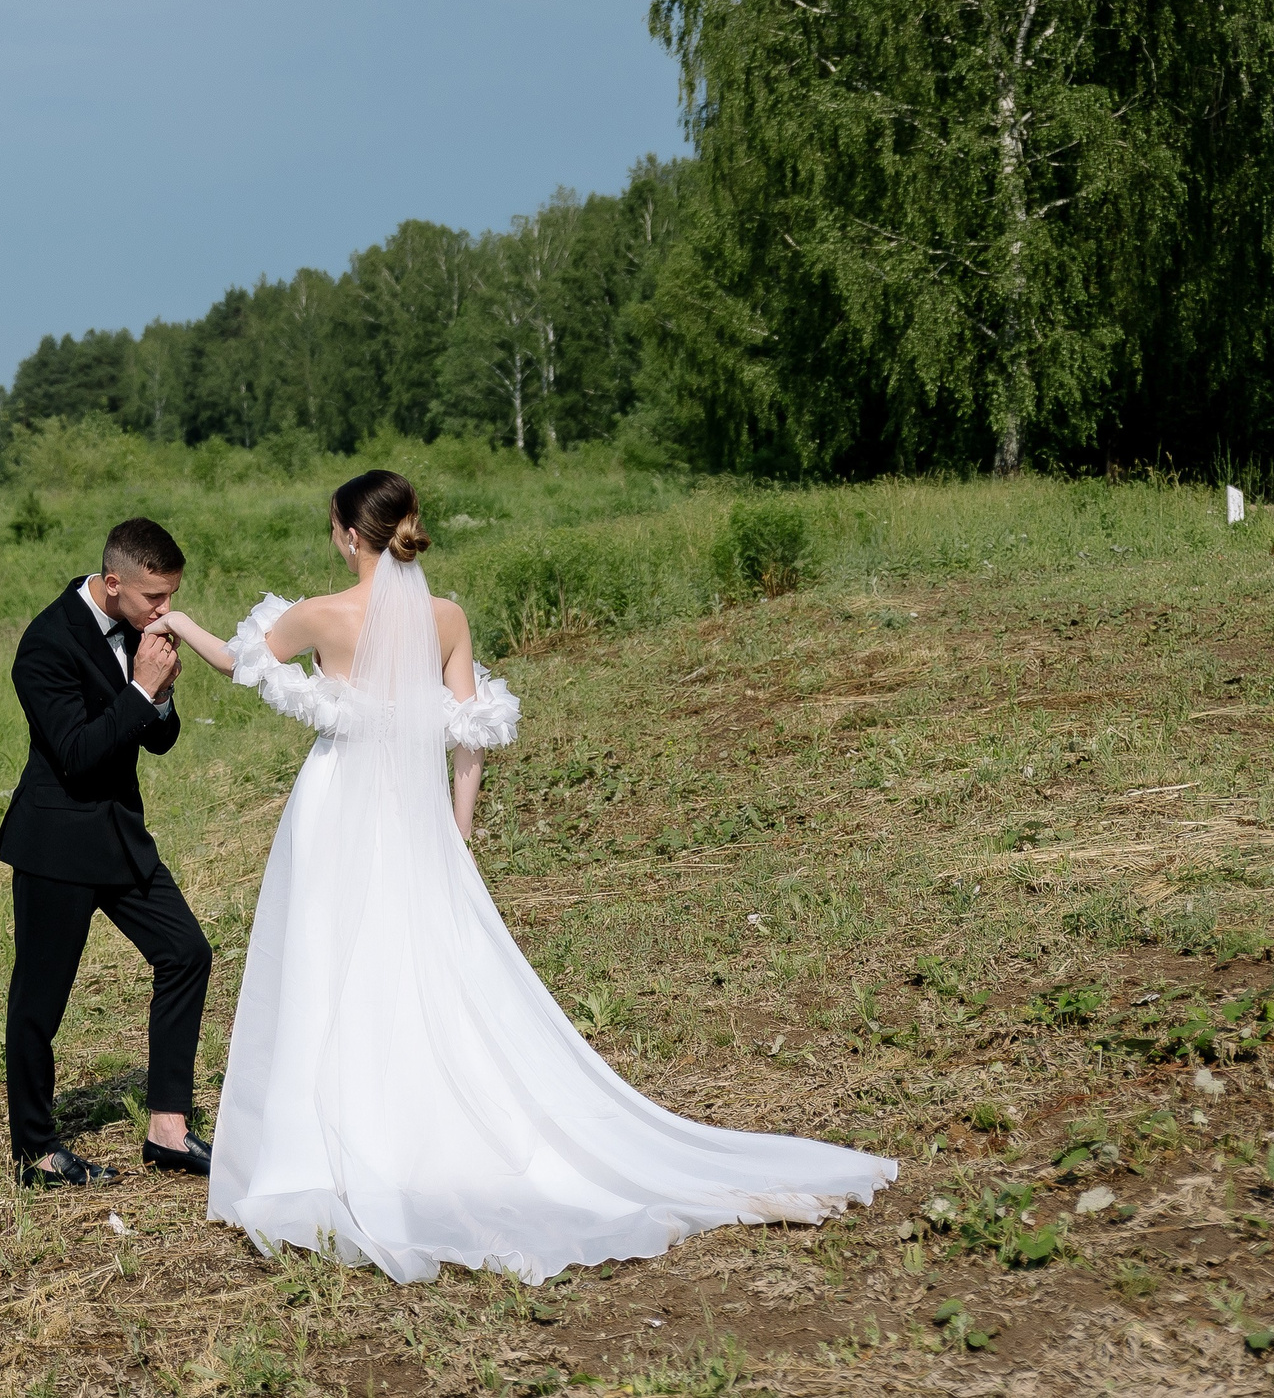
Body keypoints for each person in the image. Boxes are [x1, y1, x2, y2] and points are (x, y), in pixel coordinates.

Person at [148, 470, 895, 1283]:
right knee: (424, 956)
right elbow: (470, 737)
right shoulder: (446, 618)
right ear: (404, 529)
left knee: (330, 955)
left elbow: (239, 662)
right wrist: (456, 835)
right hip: (416, 813)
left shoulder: (320, 616)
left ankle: (330, 1132)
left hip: (333, 809)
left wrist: (179, 619)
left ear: (344, 534)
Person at [0, 517, 215, 1188]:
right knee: (39, 1002)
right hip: (56, 842)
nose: (165, 609)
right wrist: (142, 690)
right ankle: (36, 1150)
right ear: (113, 581)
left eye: (172, 595)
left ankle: (167, 1128)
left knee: (187, 952)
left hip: (118, 833)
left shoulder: (142, 627)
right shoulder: (43, 645)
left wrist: (162, 694)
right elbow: (78, 754)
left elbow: (157, 739)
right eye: (155, 596)